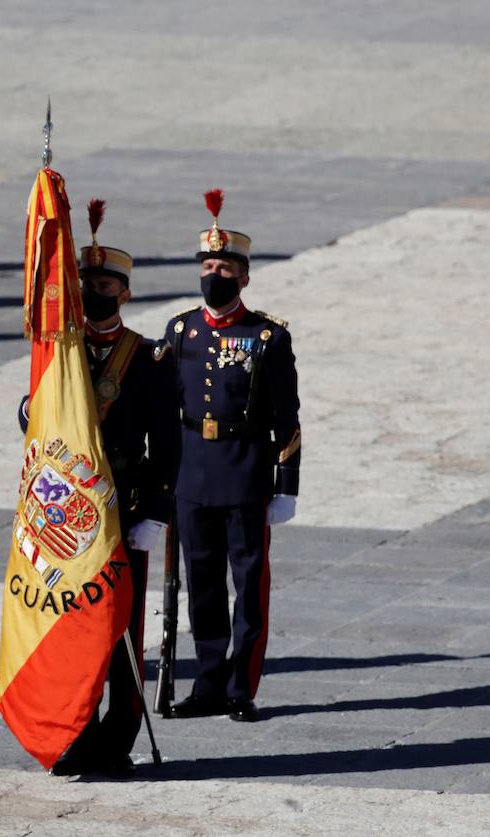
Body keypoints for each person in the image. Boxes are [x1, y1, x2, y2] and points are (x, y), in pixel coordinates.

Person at [16, 199, 179, 775]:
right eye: (89, 283)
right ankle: (71, 735)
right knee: (70, 625)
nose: (98, 291)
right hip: (67, 516)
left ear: (126, 291)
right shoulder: (61, 353)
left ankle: (118, 738)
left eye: (108, 283)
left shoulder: (151, 359)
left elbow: (168, 443)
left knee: (121, 633)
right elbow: (36, 413)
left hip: (124, 509)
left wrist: (155, 510)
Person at [164, 189, 300, 723]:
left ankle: (242, 687)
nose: (212, 274)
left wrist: (285, 484)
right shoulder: (181, 331)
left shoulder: (266, 335)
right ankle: (208, 683)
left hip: (244, 469)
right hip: (192, 471)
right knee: (200, 584)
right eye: (207, 264)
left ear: (244, 277)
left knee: (247, 586)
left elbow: (286, 412)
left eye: (223, 267)